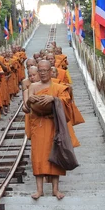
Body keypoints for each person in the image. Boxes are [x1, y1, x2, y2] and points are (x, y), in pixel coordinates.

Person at [27, 60, 80, 200]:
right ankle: (39, 190)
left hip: (53, 124)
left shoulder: (57, 87)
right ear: (38, 72)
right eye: (40, 70)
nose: (43, 73)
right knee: (38, 156)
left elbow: (66, 102)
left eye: (45, 70)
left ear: (51, 71)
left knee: (55, 154)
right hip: (38, 124)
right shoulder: (32, 86)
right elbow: (26, 107)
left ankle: (56, 189)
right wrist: (29, 101)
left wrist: (53, 99)